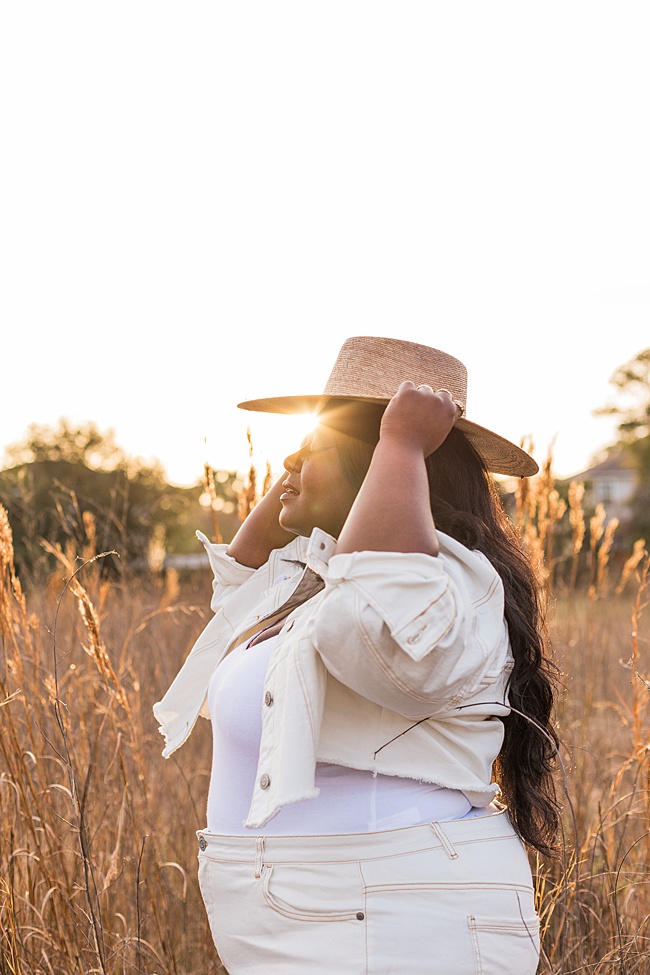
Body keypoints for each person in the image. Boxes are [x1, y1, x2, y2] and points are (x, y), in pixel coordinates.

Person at [154, 335, 559, 975]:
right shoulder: (315, 580)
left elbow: (381, 640)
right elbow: (239, 583)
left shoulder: (442, 584)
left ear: (371, 466)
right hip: (340, 915)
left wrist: (397, 444)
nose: (288, 460)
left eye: (312, 446)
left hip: (394, 921)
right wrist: (312, 470)